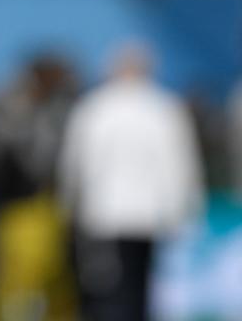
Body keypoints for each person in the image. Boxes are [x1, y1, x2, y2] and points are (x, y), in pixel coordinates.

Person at [58, 41, 204, 321]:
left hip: (103, 214)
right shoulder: (164, 108)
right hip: (147, 215)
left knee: (105, 287)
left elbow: (73, 163)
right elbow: (180, 165)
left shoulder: (94, 108)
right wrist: (184, 210)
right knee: (137, 285)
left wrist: (70, 204)